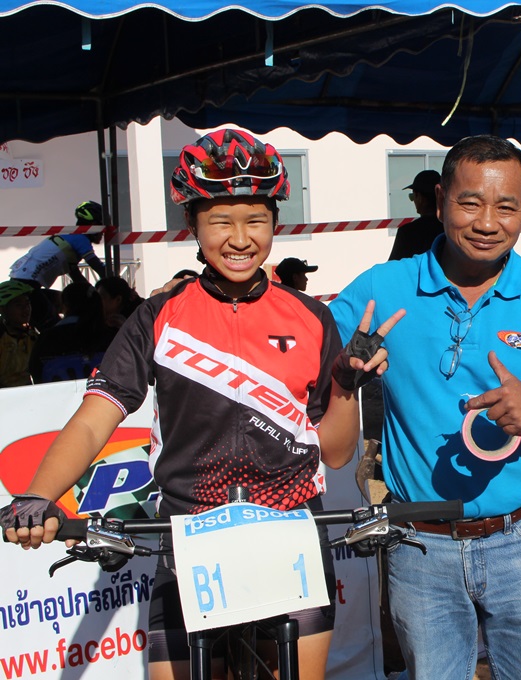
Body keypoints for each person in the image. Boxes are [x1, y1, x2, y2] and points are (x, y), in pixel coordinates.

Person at [1, 128, 400, 680]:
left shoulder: (311, 317)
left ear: (274, 223)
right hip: (189, 534)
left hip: (289, 531)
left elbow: (334, 453)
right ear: (192, 224)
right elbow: (94, 421)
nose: (240, 238)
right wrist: (37, 496)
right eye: (220, 221)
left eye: (255, 220)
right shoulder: (158, 317)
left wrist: (346, 386)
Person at [329, 135, 521, 679]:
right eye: (469, 203)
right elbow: (311, 358)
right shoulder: (383, 286)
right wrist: (345, 364)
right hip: (419, 547)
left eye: (506, 207)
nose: (487, 223)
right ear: (439, 201)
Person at [9, 200, 108, 330]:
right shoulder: (80, 238)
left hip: (22, 279)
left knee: (63, 301)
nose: (103, 233)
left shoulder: (69, 236)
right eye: (102, 228)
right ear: (94, 226)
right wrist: (114, 285)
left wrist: (91, 293)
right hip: (27, 283)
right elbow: (98, 267)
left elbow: (77, 277)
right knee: (53, 325)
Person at [29, 281, 116, 383]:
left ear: (65, 306)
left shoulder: (46, 339)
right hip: (104, 392)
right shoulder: (112, 336)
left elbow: (36, 373)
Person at [388, 169, 445, 261]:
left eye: (412, 196)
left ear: (420, 198)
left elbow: (394, 266)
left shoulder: (407, 233)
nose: (413, 201)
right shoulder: (450, 228)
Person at [0, 280, 38, 387]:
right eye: (18, 305)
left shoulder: (32, 336)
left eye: (27, 303)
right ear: (3, 309)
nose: (26, 309)